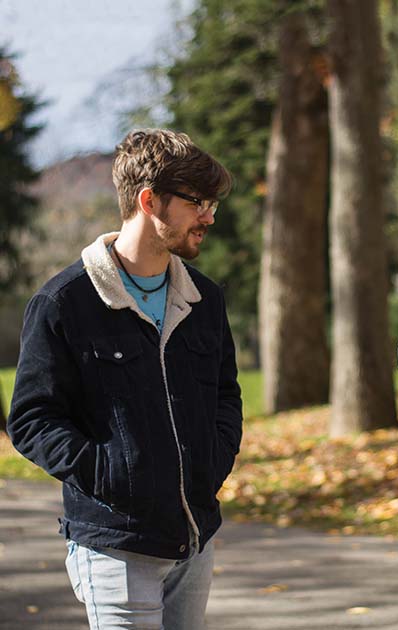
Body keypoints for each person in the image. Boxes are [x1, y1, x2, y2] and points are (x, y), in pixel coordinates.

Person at [8, 129, 243, 630]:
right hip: (114, 545)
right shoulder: (64, 302)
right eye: (198, 202)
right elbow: (30, 419)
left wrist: (214, 459)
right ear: (149, 200)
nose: (210, 217)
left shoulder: (205, 298)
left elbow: (226, 393)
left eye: (213, 204)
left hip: (195, 537)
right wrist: (113, 474)